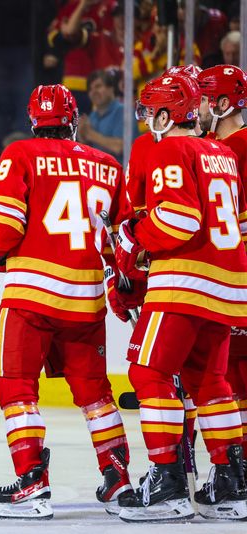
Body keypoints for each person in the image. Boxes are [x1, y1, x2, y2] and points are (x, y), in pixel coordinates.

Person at [0, 84, 134, 519]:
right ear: (73, 120)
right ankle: (118, 476)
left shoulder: (20, 154)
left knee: (16, 385)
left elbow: (5, 230)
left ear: (34, 120)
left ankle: (32, 482)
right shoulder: (107, 165)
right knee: (95, 394)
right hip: (86, 298)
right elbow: (121, 243)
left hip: (32, 295)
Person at [114, 73, 247, 522]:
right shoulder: (223, 154)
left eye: (151, 110)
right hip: (228, 286)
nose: (148, 119)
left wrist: (135, 237)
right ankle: (232, 483)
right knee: (210, 382)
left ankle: (167, 482)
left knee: (148, 372)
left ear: (168, 113)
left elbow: (179, 220)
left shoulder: (171, 148)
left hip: (185, 282)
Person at [197, 64, 247, 485]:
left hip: (233, 275)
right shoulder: (213, 147)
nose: (196, 106)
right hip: (227, 275)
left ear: (224, 103)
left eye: (204, 97)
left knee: (233, 374)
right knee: (227, 373)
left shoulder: (239, 146)